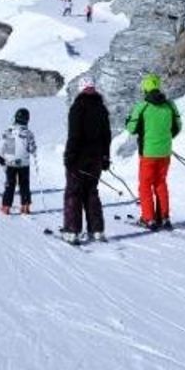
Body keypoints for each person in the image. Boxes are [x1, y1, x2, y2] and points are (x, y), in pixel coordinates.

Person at [124, 73, 181, 230]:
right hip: (165, 152)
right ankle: (164, 217)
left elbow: (131, 129)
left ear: (145, 88)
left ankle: (148, 218)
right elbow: (177, 127)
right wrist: (165, 139)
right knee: (160, 183)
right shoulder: (169, 105)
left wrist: (128, 121)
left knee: (145, 185)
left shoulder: (143, 107)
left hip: (148, 153)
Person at [62, 76, 111, 244]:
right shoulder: (101, 108)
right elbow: (107, 136)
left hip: (79, 158)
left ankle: (72, 231)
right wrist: (106, 156)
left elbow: (74, 135)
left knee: (73, 193)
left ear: (81, 89)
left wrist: (69, 155)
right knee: (91, 192)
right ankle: (96, 230)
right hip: (96, 158)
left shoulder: (77, 107)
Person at [0, 107, 37, 215]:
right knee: (24, 184)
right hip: (24, 163)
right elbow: (33, 149)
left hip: (11, 162)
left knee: (10, 184)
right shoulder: (28, 133)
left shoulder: (9, 131)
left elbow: (2, 146)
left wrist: (0, 156)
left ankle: (6, 206)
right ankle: (25, 206)